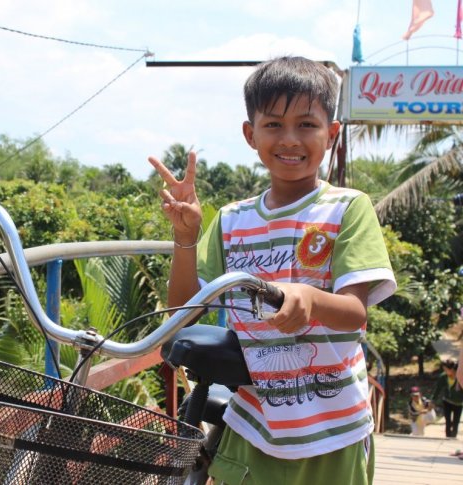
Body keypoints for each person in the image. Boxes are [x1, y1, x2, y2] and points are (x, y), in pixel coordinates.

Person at [149, 56, 397, 485]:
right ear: (250, 134)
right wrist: (186, 237)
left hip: (332, 428)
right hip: (253, 423)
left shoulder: (347, 208)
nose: (290, 139)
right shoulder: (231, 220)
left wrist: (310, 298)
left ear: (331, 134)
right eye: (273, 125)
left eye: (306, 124)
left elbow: (355, 313)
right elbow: (183, 312)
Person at [432, 359, 463, 438]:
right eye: (444, 370)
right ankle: (448, 437)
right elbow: (438, 389)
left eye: (446, 370)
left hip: (458, 403)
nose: (445, 372)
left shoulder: (460, 377)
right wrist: (433, 400)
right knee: (448, 422)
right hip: (447, 402)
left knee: (455, 423)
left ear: (452, 369)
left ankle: (453, 436)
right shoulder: (443, 377)